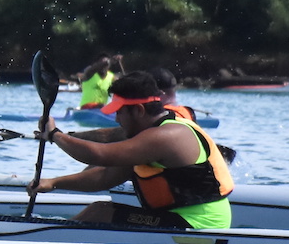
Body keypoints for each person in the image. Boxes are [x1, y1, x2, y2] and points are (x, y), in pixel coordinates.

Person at [28, 72, 233, 230]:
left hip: (200, 225)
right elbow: (106, 176)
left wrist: (55, 134)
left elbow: (100, 155)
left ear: (139, 110)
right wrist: (54, 183)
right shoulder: (148, 137)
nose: (117, 119)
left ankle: (43, 240)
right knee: (100, 210)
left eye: (119, 112)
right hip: (182, 219)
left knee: (100, 213)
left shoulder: (166, 136)